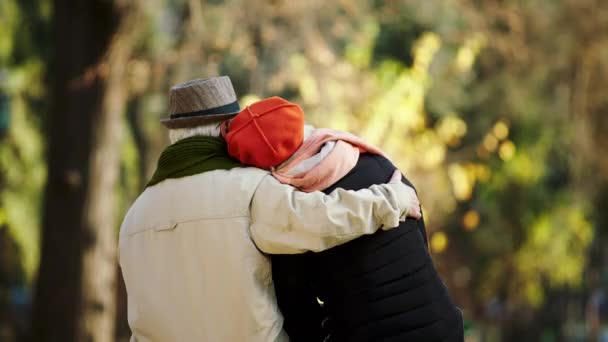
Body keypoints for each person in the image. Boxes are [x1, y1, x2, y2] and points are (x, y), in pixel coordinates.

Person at [118, 76, 422, 341]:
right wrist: (392, 200)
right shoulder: (247, 189)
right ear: (226, 127)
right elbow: (322, 220)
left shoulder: (134, 216)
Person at [223, 96, 465, 341]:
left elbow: (297, 310)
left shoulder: (291, 214)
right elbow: (418, 239)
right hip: (442, 327)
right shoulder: (373, 162)